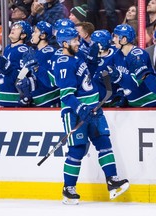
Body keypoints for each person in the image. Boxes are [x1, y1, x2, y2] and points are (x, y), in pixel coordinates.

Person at [53, 27, 129, 205]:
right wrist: (80, 109)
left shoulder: (77, 57)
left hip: (93, 108)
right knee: (77, 150)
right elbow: (66, 95)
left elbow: (86, 78)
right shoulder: (63, 63)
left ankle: (112, 180)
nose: (78, 42)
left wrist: (93, 62)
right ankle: (68, 188)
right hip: (75, 113)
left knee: (104, 142)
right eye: (74, 41)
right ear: (65, 44)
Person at [107, 24, 156, 107]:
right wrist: (121, 92)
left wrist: (119, 77)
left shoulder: (138, 55)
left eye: (116, 37)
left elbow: (135, 83)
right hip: (136, 102)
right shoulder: (117, 55)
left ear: (124, 39)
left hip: (152, 100)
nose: (113, 39)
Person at [0, 21, 32, 107]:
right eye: (13, 26)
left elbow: (23, 75)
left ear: (23, 35)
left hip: (14, 98)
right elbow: (4, 71)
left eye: (18, 28)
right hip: (2, 96)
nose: (13, 28)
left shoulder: (24, 50)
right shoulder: (7, 48)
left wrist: (7, 67)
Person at [16, 21, 60, 107]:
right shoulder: (34, 52)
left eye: (35, 32)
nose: (32, 34)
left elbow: (50, 80)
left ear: (42, 36)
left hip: (49, 100)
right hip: (37, 99)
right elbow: (23, 75)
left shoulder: (49, 52)